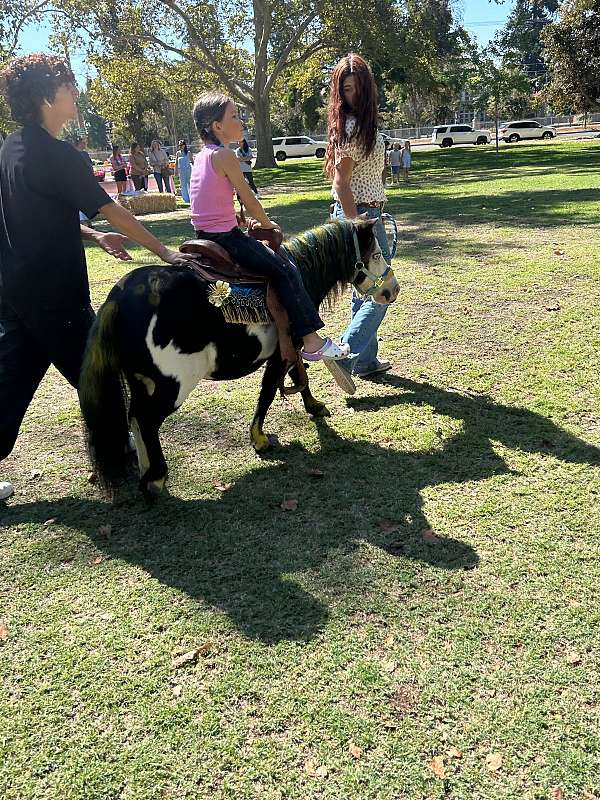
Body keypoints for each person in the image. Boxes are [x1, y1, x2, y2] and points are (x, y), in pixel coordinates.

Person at [0, 53, 193, 502]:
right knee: (101, 375)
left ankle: (122, 446)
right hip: (54, 296)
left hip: (16, 293)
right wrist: (162, 250)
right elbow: (113, 208)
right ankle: (126, 452)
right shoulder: (60, 155)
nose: (75, 94)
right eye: (68, 87)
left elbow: (38, 211)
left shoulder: (11, 148)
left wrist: (91, 233)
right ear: (49, 96)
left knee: (11, 384)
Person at [190, 92, 349, 368]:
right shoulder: (225, 155)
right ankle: (312, 341)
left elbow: (209, 204)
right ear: (217, 126)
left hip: (204, 235)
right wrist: (266, 223)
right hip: (226, 239)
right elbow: (249, 198)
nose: (241, 122)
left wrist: (239, 222)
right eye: (234, 117)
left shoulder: (201, 156)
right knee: (285, 269)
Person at [325, 53, 392, 379]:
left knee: (362, 289)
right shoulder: (353, 127)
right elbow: (341, 182)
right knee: (385, 289)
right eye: (346, 89)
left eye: (357, 87)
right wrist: (358, 226)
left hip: (362, 212)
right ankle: (347, 354)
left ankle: (366, 362)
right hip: (361, 216)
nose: (352, 95)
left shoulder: (358, 124)